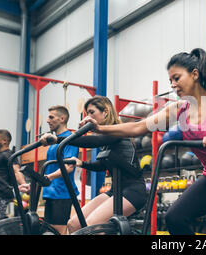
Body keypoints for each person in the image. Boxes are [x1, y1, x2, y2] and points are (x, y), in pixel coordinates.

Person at [78, 48, 206, 235]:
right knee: (174, 218)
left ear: (195, 74)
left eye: (177, 78)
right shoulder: (180, 109)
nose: (173, 85)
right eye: (170, 81)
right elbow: (138, 127)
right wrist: (99, 128)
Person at [41, 96, 147, 234]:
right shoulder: (107, 140)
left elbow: (94, 141)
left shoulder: (118, 131)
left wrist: (58, 140)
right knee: (74, 224)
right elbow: (102, 165)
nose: (89, 116)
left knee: (92, 227)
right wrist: (82, 163)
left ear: (105, 112)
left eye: (92, 112)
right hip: (115, 190)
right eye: (87, 114)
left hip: (133, 191)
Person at [20, 105, 80, 234]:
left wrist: (48, 178)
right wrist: (35, 184)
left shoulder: (69, 139)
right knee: (50, 231)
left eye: (51, 117)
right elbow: (50, 170)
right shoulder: (53, 143)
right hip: (51, 193)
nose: (48, 120)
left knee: (58, 231)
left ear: (62, 119)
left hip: (62, 193)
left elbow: (68, 167)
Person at [0, 129, 25, 227]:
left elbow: (17, 171)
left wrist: (24, 185)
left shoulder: (8, 155)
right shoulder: (2, 155)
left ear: (5, 141)